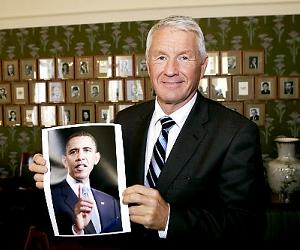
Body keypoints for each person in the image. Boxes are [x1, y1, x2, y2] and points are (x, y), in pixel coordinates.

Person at [29, 15, 266, 241]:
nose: (171, 69)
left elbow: (248, 225)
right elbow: (102, 189)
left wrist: (169, 220)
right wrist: (58, 177)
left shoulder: (235, 133)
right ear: (148, 65)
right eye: (161, 57)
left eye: (184, 57)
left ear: (203, 66)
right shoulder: (125, 121)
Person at [50, 131, 122, 235]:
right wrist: (77, 230)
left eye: (87, 150)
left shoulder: (111, 202)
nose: (80, 157)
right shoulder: (52, 198)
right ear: (65, 161)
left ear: (96, 158)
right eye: (74, 152)